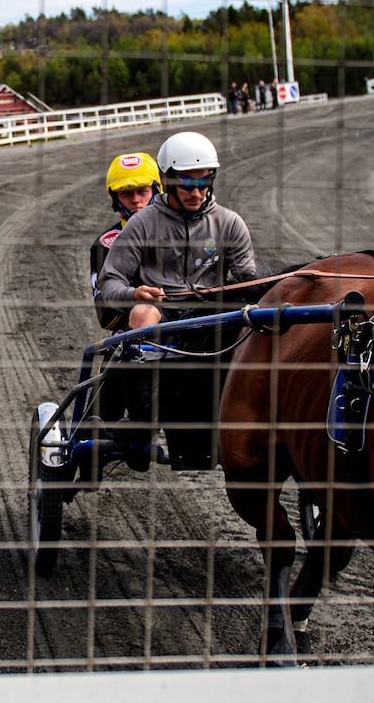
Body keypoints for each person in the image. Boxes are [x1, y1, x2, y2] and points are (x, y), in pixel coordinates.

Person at [92, 130, 259, 470]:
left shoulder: (229, 224)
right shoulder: (141, 225)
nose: (196, 192)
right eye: (186, 184)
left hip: (211, 322)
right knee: (142, 313)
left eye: (203, 182)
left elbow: (248, 282)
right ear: (168, 181)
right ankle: (141, 419)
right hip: (161, 320)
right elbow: (109, 284)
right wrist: (133, 293)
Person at [90, 150, 161, 311]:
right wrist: (134, 296)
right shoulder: (105, 244)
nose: (135, 200)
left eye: (143, 191)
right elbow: (105, 315)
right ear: (115, 198)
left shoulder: (184, 229)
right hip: (136, 326)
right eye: (126, 193)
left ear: (157, 191)